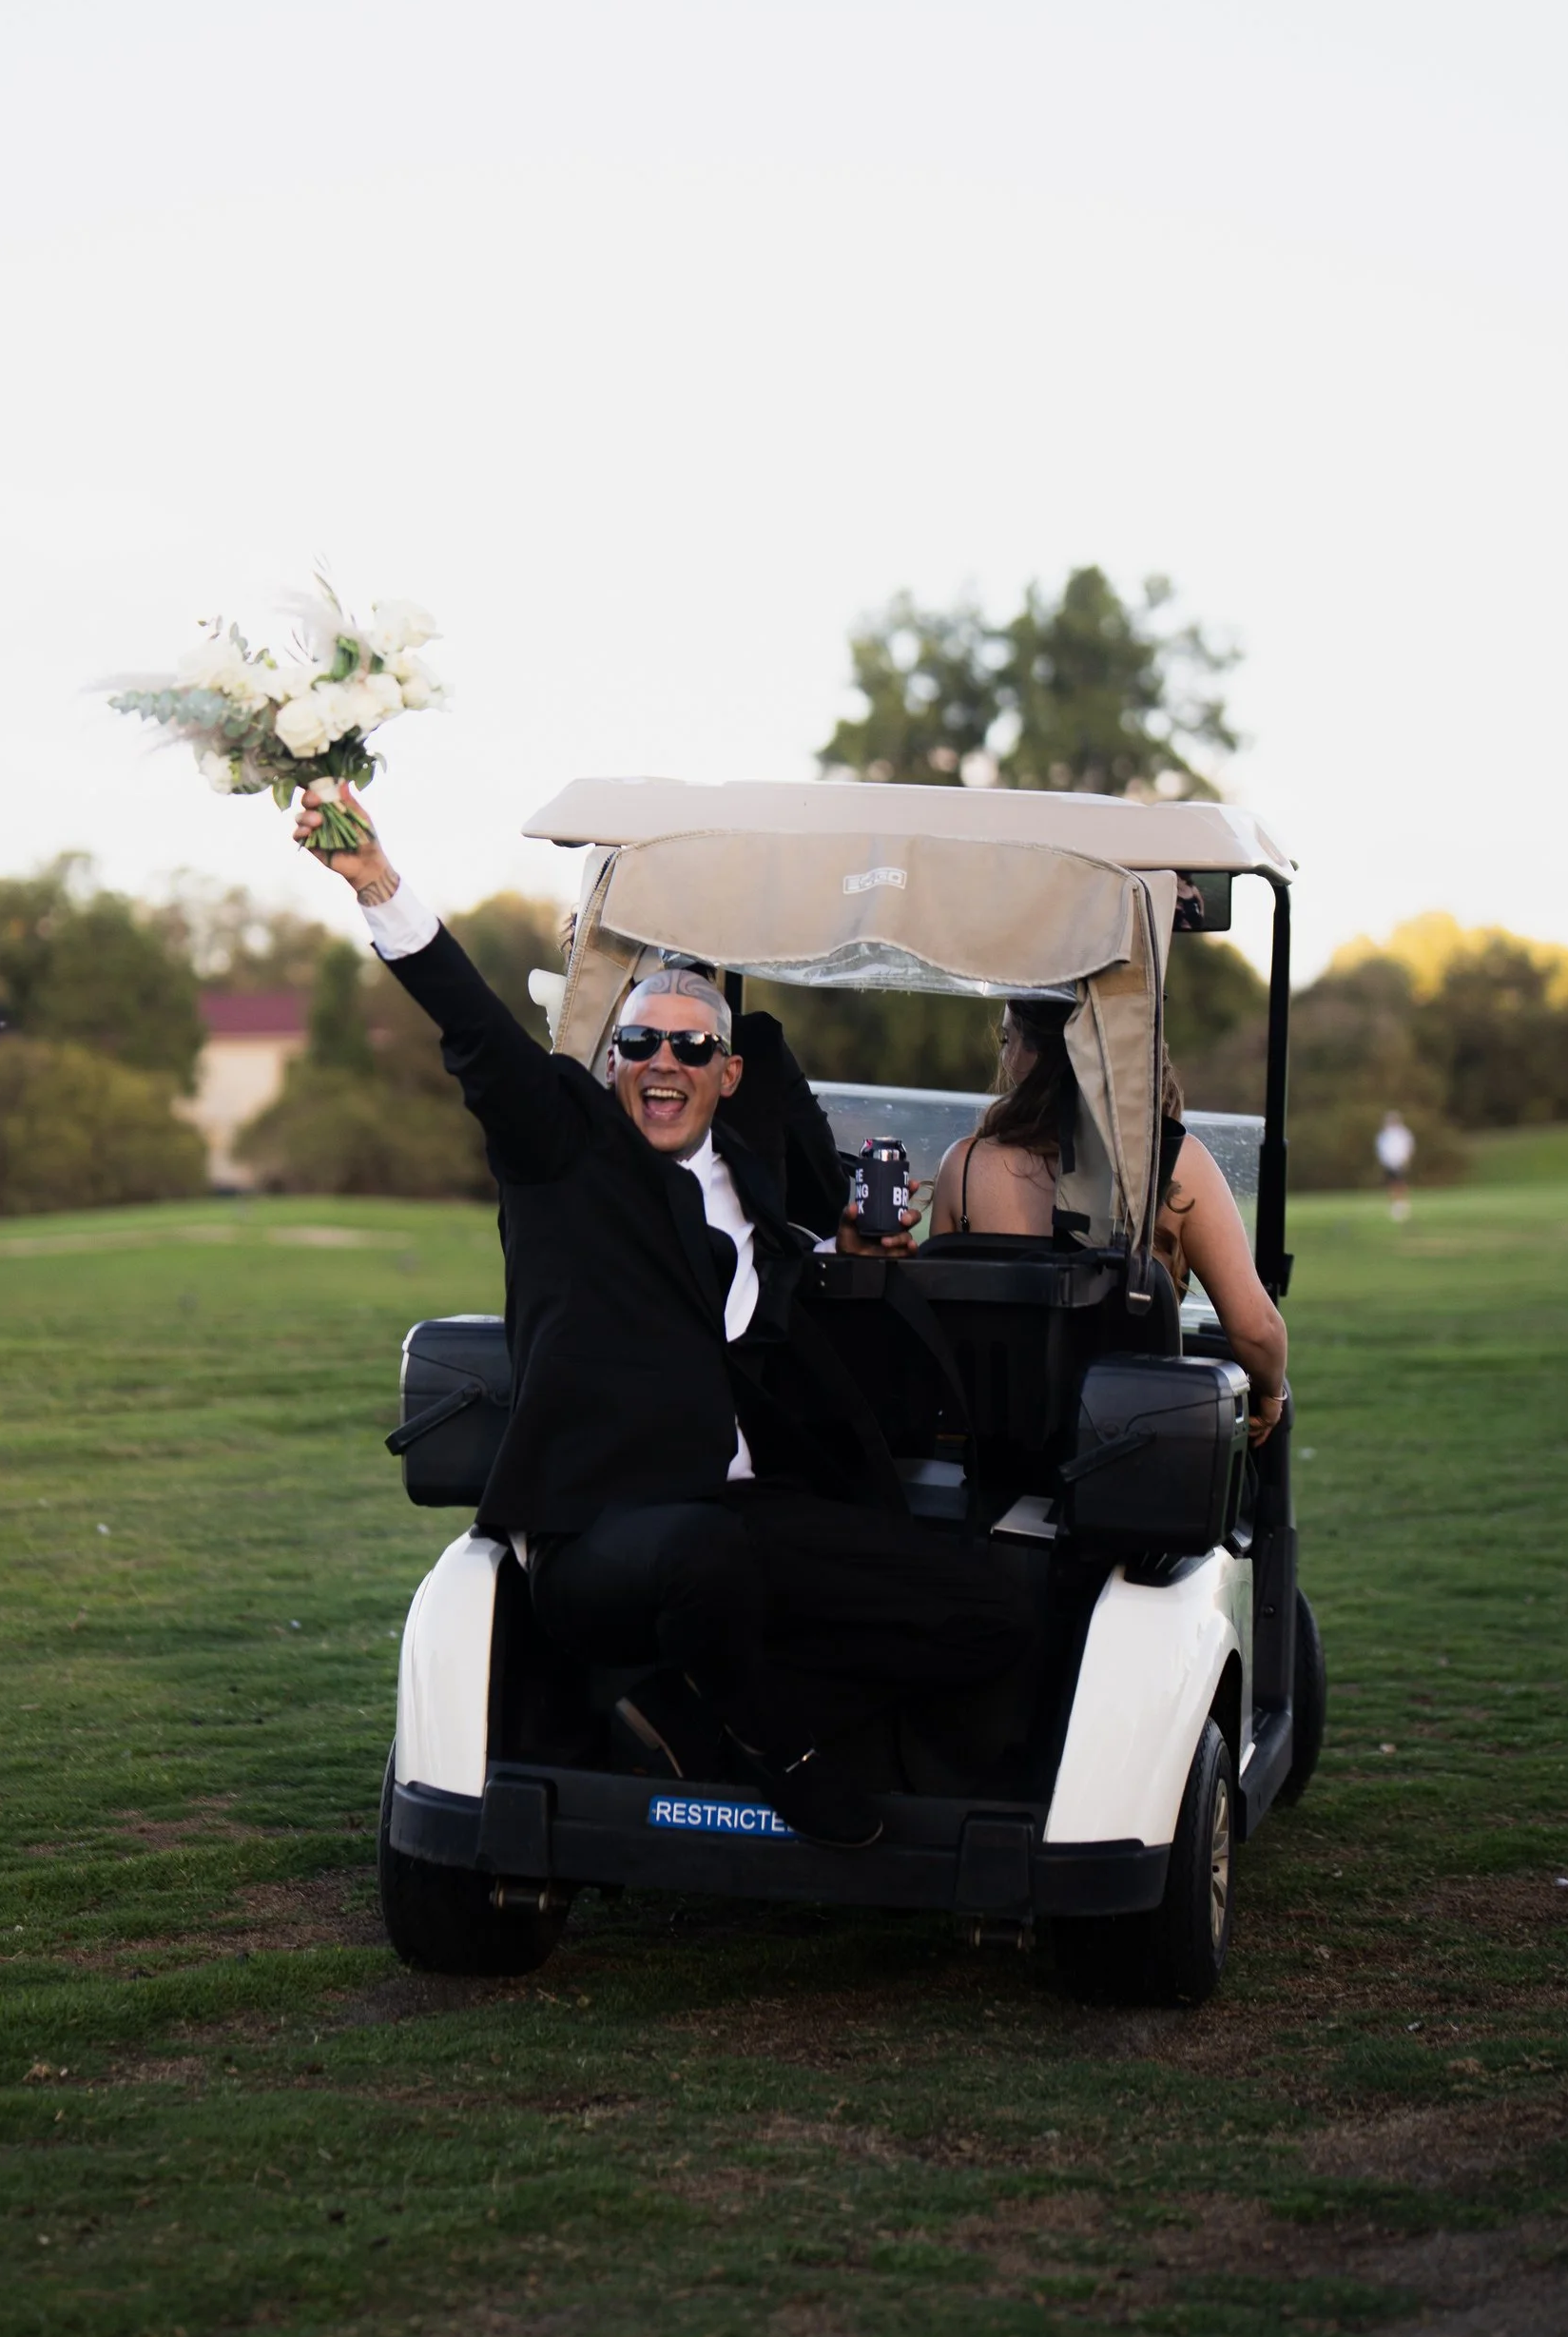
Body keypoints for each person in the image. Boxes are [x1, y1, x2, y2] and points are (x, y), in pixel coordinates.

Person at [301, 784, 1032, 1845]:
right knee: (705, 1557)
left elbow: (763, 1274)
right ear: (610, 1062)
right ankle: (777, 1747)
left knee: (988, 1611)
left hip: (736, 1513)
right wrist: (378, 885)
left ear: (728, 1076)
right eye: (641, 1044)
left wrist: (846, 1248)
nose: (663, 1065)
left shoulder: (752, 1179)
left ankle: (697, 1708)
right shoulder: (564, 1154)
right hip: (599, 1536)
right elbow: (475, 1032)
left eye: (692, 1051)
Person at [933, 999, 1289, 1443]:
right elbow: (1256, 1332)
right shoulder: (1175, 1164)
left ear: (1037, 1054)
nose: (1005, 1059)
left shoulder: (962, 1167)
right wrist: (1272, 1397)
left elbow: (942, 1337)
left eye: (1009, 1040)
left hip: (997, 1457)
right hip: (1127, 1454)